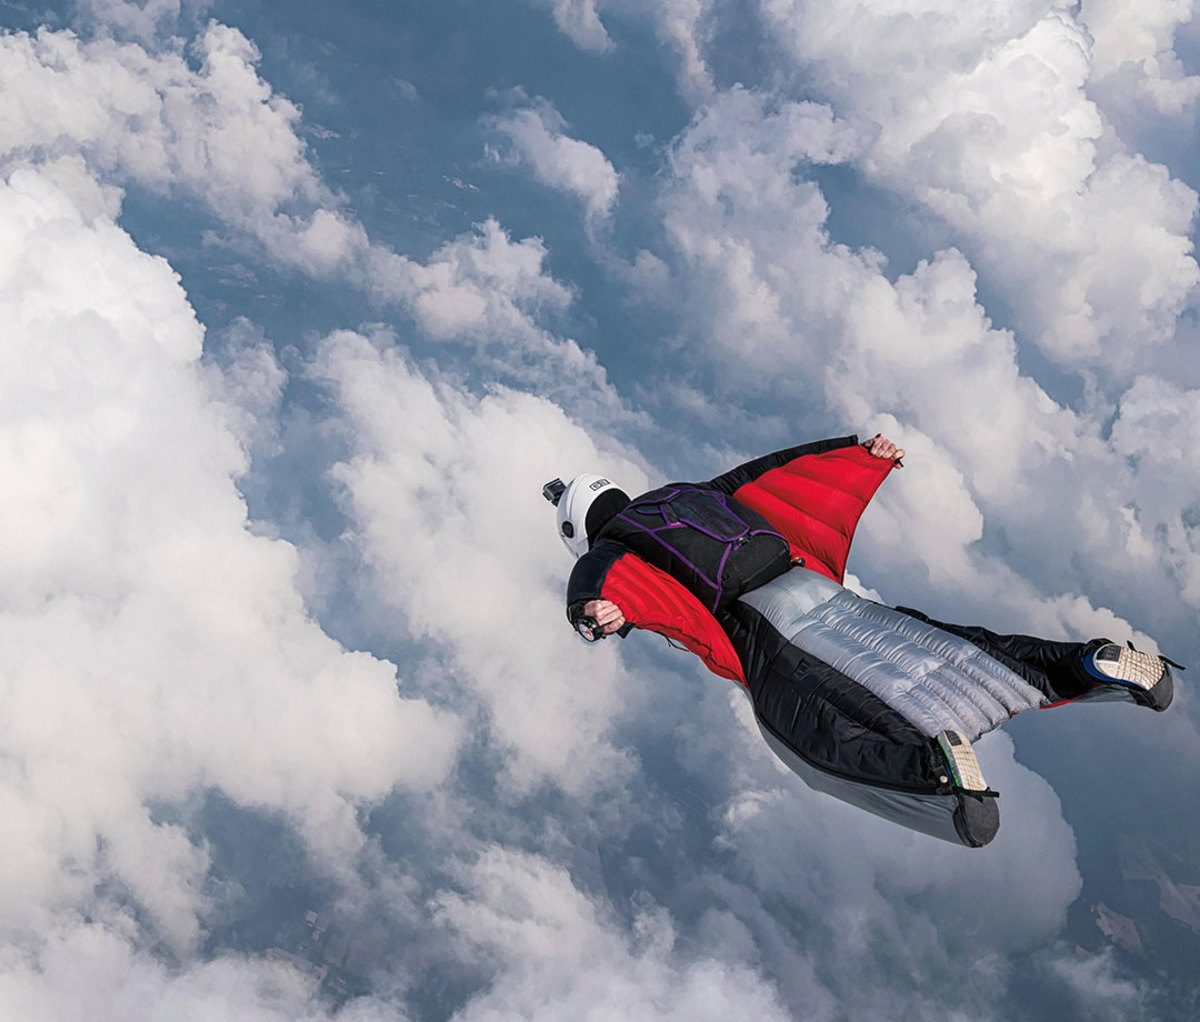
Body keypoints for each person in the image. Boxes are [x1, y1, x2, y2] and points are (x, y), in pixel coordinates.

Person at [543, 434, 1177, 848]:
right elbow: (772, 471)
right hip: (814, 589)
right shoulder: (692, 492)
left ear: (581, 530)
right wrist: (858, 449)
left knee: (809, 735)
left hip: (761, 626)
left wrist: (592, 612)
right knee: (949, 649)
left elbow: (597, 584)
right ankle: (1090, 663)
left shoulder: (610, 550)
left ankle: (937, 772)